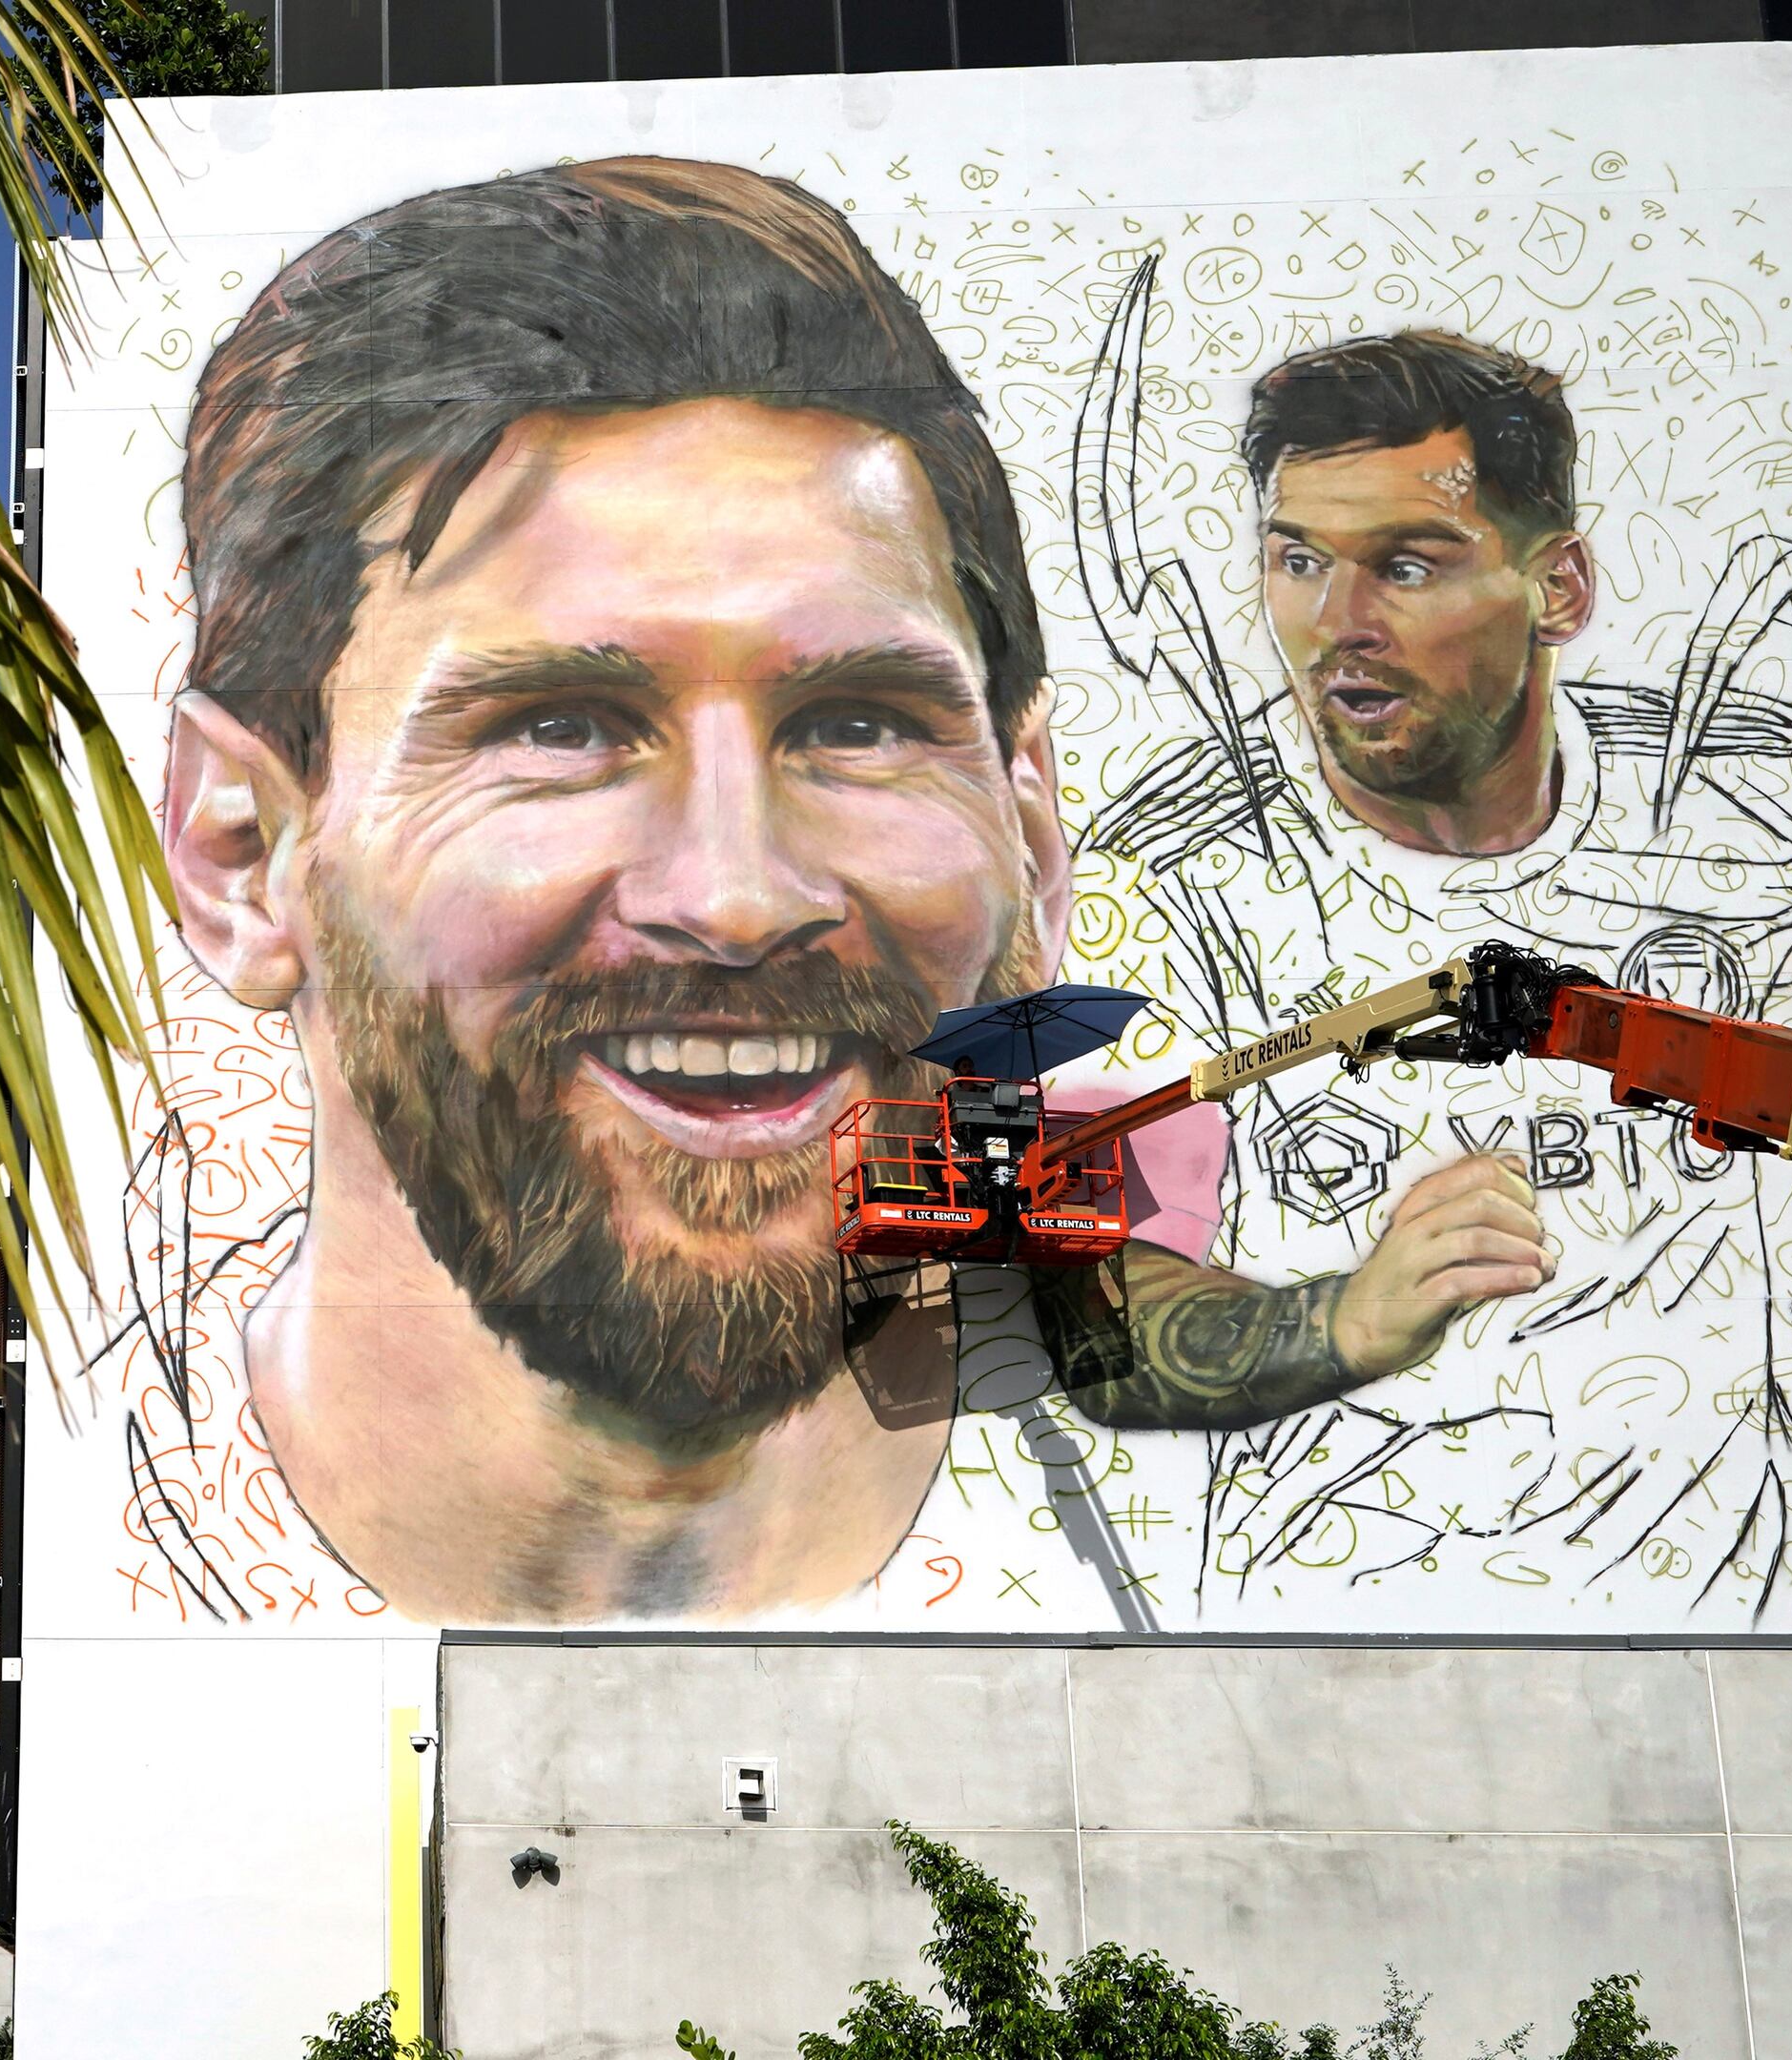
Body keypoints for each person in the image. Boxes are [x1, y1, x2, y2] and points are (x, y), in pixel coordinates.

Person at [155, 163, 1498, 1623]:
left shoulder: (1283, 1579)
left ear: (1032, 835)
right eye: (558, 728)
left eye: (859, 724)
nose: (737, 899)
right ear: (241, 851)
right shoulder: (114, 1635)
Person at [1081, 329, 1792, 1457]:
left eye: (1407, 565)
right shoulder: (1167, 873)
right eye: (1298, 562)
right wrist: (1348, 1316)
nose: (1338, 625)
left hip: (1780, 1570)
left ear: (1557, 588)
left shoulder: (1748, 792)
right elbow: (1098, 1326)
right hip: (1358, 1583)